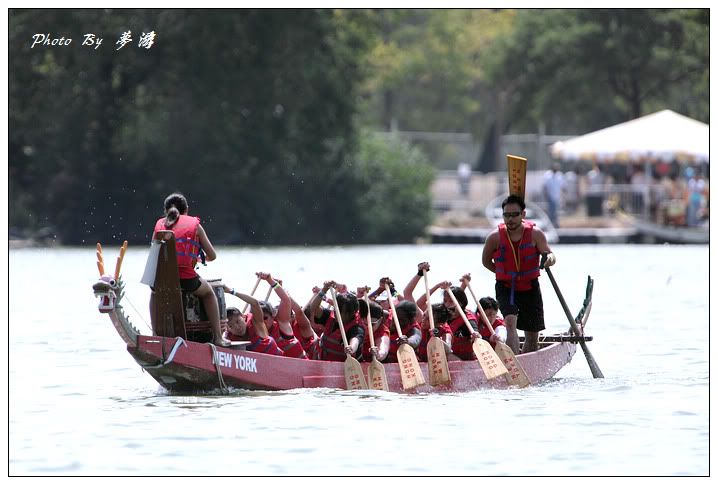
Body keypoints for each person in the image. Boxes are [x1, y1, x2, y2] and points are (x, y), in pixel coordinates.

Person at [152, 192, 229, 347]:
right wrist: (199, 259)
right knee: (208, 293)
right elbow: (212, 255)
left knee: (154, 293)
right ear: (186, 210)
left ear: (166, 210)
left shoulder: (160, 224)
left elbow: (155, 256)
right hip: (185, 278)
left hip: (161, 278)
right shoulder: (195, 225)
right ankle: (218, 337)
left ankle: (155, 334)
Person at [481, 194, 555, 354]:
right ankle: (514, 363)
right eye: (506, 215)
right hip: (507, 286)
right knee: (510, 320)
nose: (510, 219)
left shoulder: (536, 234)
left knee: (532, 335)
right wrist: (503, 274)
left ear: (523, 215)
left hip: (530, 286)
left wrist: (548, 259)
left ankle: (528, 361)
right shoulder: (494, 238)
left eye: (515, 215)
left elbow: (550, 254)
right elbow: (486, 262)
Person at [308, 281, 366, 361]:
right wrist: (324, 290)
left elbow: (355, 340)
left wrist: (351, 348)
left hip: (345, 370)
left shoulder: (357, 328)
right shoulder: (330, 316)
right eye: (336, 310)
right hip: (323, 364)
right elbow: (313, 308)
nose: (337, 314)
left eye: (342, 312)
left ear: (352, 313)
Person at [221, 286, 282, 355]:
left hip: (276, 362)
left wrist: (231, 291)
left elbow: (254, 302)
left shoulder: (256, 322)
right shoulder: (227, 338)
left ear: (243, 316)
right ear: (228, 329)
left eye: (238, 321)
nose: (237, 327)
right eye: (231, 326)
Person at [543, 163, 565, 228]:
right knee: (551, 211)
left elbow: (563, 187)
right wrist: (546, 196)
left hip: (557, 197)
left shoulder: (560, 175)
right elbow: (545, 187)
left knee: (555, 211)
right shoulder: (547, 175)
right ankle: (552, 224)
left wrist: (563, 196)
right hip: (550, 197)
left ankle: (554, 224)